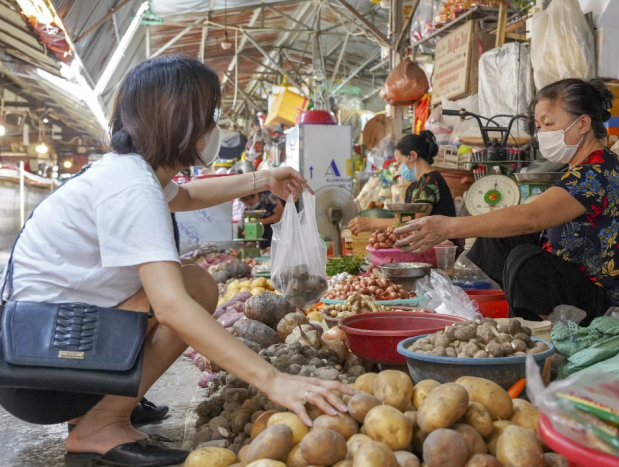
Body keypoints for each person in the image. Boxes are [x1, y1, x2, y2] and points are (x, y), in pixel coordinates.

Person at [0, 55, 355, 467]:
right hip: (42, 371)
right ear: (181, 120)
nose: (213, 128)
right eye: (209, 115)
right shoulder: (132, 185)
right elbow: (170, 306)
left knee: (191, 280)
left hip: (42, 357)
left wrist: (262, 177)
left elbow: (186, 197)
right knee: (191, 289)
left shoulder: (131, 173)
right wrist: (274, 380)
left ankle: (95, 408)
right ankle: (101, 422)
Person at [395, 79, 619, 325]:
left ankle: (539, 326)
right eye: (539, 126)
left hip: (609, 302)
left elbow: (532, 217)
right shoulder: (585, 167)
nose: (542, 134)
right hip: (581, 282)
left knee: (525, 261)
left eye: (549, 124)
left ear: (583, 123)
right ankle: (527, 312)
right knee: (498, 235)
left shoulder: (596, 172)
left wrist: (449, 227)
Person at [349, 131, 457, 236]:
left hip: (442, 246)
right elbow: (403, 220)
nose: (398, 167)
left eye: (400, 162)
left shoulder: (430, 181)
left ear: (413, 155)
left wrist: (371, 223)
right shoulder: (414, 186)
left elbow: (416, 221)